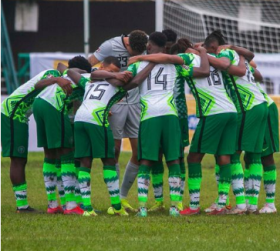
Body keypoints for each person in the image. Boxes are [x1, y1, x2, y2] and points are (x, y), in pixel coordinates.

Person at [127, 32, 210, 217]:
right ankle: (175, 206)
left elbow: (129, 83)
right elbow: (203, 71)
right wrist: (202, 51)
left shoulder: (138, 64)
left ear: (148, 47)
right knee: (174, 160)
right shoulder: (176, 65)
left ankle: (142, 208)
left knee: (146, 161)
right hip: (170, 115)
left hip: (149, 116)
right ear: (165, 47)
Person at [204, 30, 268, 214]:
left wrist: (201, 54)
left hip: (247, 106)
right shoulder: (235, 53)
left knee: (232, 153)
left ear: (214, 48)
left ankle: (240, 205)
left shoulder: (224, 54)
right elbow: (258, 74)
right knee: (253, 156)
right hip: (260, 104)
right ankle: (252, 204)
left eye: (210, 51)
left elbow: (237, 70)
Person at [88, 30, 148, 211]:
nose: (135, 56)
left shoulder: (143, 46)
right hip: (115, 104)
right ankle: (114, 200)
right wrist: (113, 77)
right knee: (114, 151)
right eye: (133, 53)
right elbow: (88, 66)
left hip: (136, 103)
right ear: (127, 44)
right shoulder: (110, 45)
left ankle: (122, 197)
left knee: (140, 152)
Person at [67, 56, 132, 216]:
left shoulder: (89, 81)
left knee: (85, 161)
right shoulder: (117, 83)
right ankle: (116, 207)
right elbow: (130, 82)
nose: (111, 74)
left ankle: (87, 209)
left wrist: (94, 72)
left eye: (115, 72)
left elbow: (70, 71)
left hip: (80, 118)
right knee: (109, 160)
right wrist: (115, 75)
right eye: (110, 71)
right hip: (96, 118)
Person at [1, 69, 71, 213]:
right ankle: (22, 206)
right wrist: (57, 79)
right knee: (18, 159)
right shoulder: (53, 74)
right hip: (12, 113)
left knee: (21, 159)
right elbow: (38, 85)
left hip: (20, 115)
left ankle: (24, 204)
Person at [33, 56, 92, 215]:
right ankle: (71, 205)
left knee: (50, 154)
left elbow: (40, 83)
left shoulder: (65, 75)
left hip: (38, 104)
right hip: (53, 105)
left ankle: (53, 204)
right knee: (67, 153)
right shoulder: (84, 76)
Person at [250, 63, 279, 213]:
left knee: (265, 155)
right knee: (249, 156)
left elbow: (253, 64)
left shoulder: (229, 59)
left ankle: (270, 203)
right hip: (247, 110)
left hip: (264, 107)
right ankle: (249, 202)